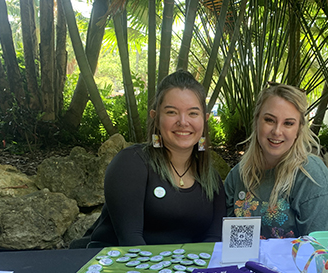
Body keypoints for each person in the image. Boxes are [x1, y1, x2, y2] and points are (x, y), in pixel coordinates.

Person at [76, 70, 226, 247]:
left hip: (181, 271)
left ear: (205, 119)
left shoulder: (212, 180)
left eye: (193, 113)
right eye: (171, 112)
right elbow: (130, 242)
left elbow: (214, 243)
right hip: (112, 268)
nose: (183, 122)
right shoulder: (131, 164)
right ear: (155, 117)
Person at [224, 83, 328, 239]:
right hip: (247, 263)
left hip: (300, 263)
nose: (277, 131)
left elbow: (322, 251)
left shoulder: (311, 175)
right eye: (269, 120)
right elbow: (224, 241)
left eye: (288, 123)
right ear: (257, 121)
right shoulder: (238, 175)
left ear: (298, 129)